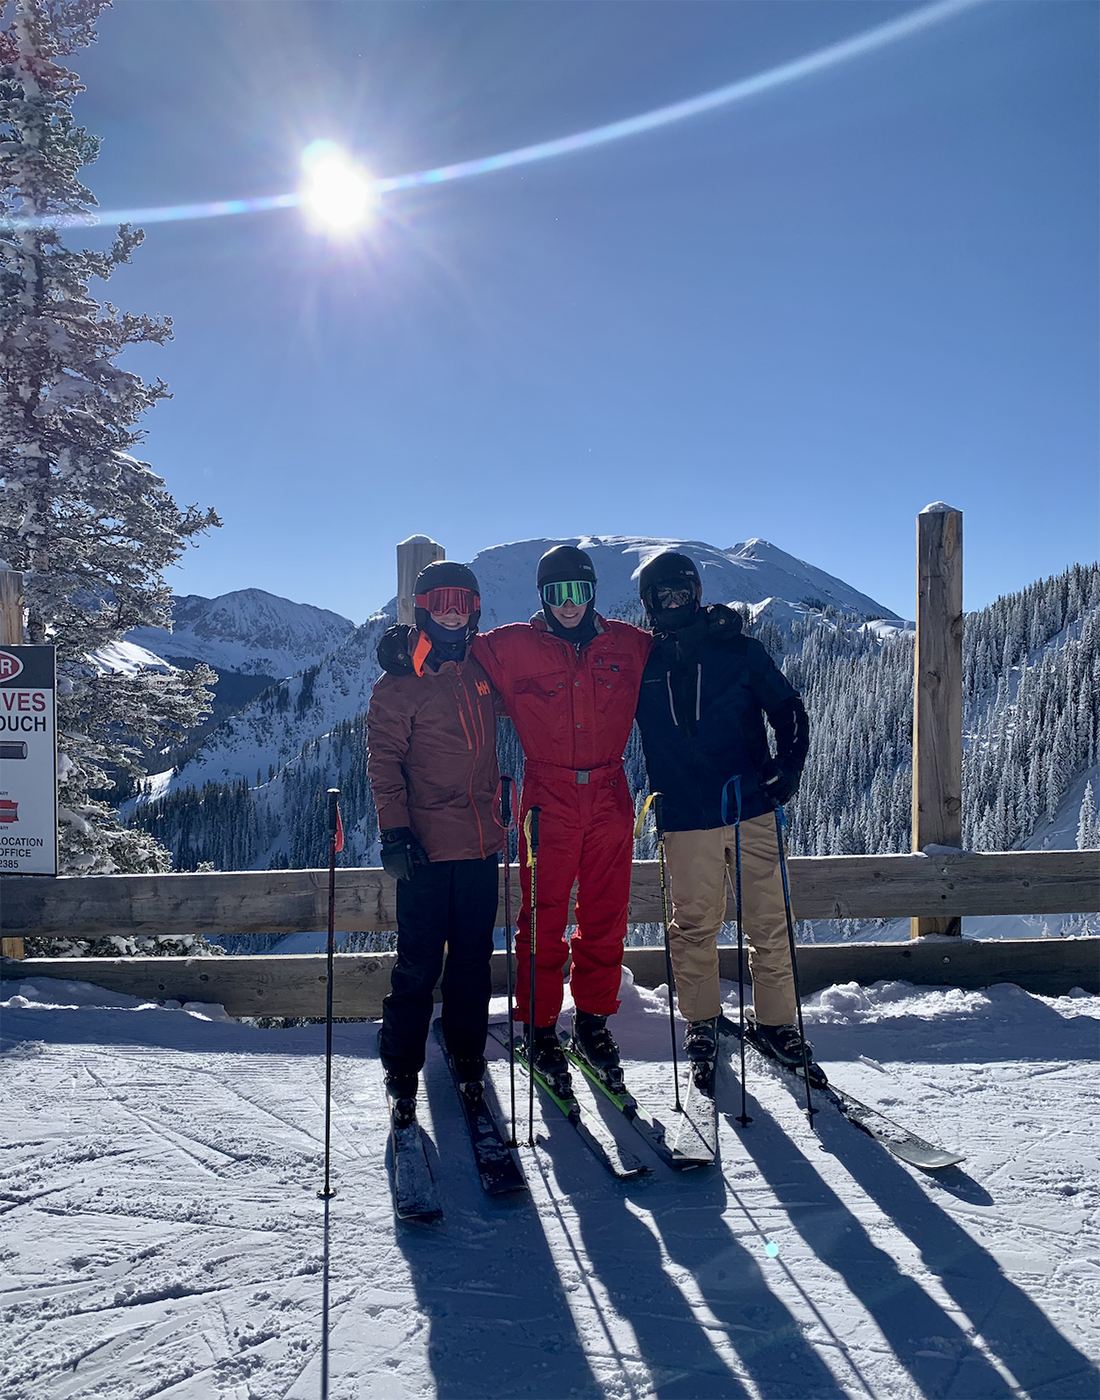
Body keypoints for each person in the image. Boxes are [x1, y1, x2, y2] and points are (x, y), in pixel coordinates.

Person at [470, 545, 653, 1094]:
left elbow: (682, 650)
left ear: (592, 592)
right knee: (542, 918)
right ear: (542, 596)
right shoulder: (510, 647)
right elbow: (450, 647)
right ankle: (540, 1026)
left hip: (610, 792)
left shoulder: (630, 644)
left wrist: (715, 625)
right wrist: (408, 644)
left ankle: (593, 1023)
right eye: (556, 593)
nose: (568, 604)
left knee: (606, 915)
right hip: (546, 796)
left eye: (578, 591)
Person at [633, 550, 811, 1082]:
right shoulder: (640, 664)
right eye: (662, 596)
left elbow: (789, 710)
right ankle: (702, 1021)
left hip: (749, 806)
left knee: (768, 919)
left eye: (681, 593)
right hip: (684, 815)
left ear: (697, 594)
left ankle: (777, 1023)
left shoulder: (738, 650)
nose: (673, 604)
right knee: (693, 925)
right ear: (648, 603)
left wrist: (788, 769)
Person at [367, 560, 503, 1126]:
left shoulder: (481, 666)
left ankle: (468, 1053)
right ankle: (402, 1065)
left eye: (462, 603)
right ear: (423, 609)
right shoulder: (399, 683)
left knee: (473, 959)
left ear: (475, 611)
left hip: (481, 843)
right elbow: (384, 761)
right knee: (418, 963)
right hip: (424, 848)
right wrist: (395, 831)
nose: (452, 612)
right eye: (441, 602)